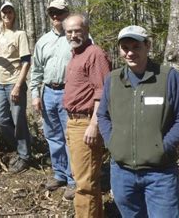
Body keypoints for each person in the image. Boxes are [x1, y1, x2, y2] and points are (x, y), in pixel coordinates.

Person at [97, 25, 179, 217]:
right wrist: (112, 143)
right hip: (122, 172)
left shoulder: (167, 77)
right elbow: (102, 115)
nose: (130, 53)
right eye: (125, 48)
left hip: (160, 173)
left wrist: (163, 146)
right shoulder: (113, 79)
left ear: (147, 46)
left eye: (136, 46)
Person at [63, 14, 111, 218]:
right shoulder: (76, 54)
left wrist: (94, 125)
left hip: (85, 123)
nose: (73, 34)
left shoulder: (94, 54)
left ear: (87, 30)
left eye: (77, 30)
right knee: (87, 180)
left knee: (84, 185)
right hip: (73, 121)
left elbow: (102, 93)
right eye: (69, 31)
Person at [30, 0, 76, 199]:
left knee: (70, 137)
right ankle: (60, 174)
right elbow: (36, 70)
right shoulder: (43, 41)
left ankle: (74, 179)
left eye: (60, 13)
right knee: (53, 136)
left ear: (67, 13)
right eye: (52, 14)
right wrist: (35, 95)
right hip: (48, 92)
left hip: (71, 93)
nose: (56, 17)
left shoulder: (78, 37)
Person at [0, 1, 32, 173]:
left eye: (10, 12)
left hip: (14, 83)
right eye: (4, 12)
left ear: (14, 14)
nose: (7, 14)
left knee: (19, 121)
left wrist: (18, 86)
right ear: (0, 15)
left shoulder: (20, 34)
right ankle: (20, 146)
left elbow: (26, 62)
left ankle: (24, 156)